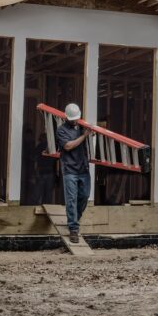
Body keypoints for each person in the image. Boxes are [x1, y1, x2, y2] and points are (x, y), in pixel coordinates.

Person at [55, 102, 90, 243]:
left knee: (85, 196)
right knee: (71, 200)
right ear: (67, 117)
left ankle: (75, 217)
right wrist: (84, 136)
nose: (75, 120)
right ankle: (73, 229)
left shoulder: (82, 127)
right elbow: (68, 146)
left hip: (83, 169)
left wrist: (89, 134)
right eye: (73, 118)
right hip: (70, 170)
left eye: (76, 118)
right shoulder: (61, 130)